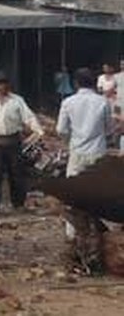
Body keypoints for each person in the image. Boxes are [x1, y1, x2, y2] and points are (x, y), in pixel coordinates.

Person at [57, 67, 114, 270]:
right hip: (97, 153)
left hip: (77, 154)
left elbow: (61, 130)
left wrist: (73, 140)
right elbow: (109, 129)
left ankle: (72, 241)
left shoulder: (68, 102)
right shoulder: (103, 102)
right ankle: (95, 243)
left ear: (76, 83)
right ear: (93, 83)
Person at [0, 72, 44, 214]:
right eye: (0, 83)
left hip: (13, 139)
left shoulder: (17, 100)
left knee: (16, 172)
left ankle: (18, 203)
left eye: (5, 83)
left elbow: (28, 116)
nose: (3, 86)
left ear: (9, 84)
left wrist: (39, 131)